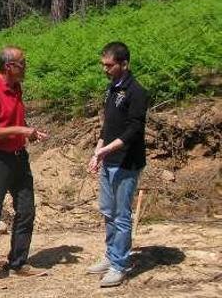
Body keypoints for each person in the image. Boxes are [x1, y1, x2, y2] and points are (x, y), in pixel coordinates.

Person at [0, 46, 49, 289]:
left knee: (26, 210)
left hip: (19, 158)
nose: (25, 66)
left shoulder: (17, 87)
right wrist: (20, 130)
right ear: (9, 66)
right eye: (22, 62)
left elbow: (15, 120)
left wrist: (29, 131)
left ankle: (18, 262)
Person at [86, 42, 148, 287]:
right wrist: (97, 152)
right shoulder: (111, 89)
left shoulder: (137, 92)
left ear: (124, 64)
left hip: (126, 163)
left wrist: (106, 150)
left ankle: (120, 265)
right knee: (108, 211)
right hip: (108, 159)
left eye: (109, 65)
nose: (105, 69)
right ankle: (111, 255)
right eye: (103, 65)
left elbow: (134, 129)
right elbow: (108, 126)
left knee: (121, 215)